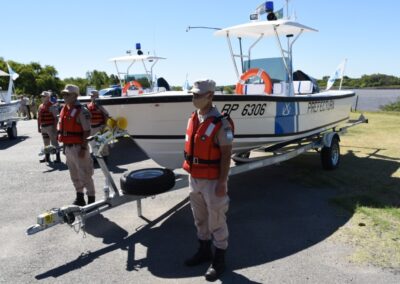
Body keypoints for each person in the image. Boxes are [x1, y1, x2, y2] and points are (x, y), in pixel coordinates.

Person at [183, 79, 234, 282]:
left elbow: (226, 154)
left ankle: (219, 259)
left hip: (213, 180)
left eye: (197, 95)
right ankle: (204, 250)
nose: (194, 98)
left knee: (217, 219)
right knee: (200, 218)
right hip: (194, 178)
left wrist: (223, 182)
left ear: (210, 96)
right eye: (193, 95)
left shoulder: (221, 123)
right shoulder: (194, 118)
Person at [58, 84, 95, 206]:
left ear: (75, 96)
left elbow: (87, 131)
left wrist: (83, 148)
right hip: (68, 147)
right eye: (63, 94)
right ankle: (80, 197)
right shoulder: (65, 109)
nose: (64, 96)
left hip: (79, 147)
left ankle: (91, 199)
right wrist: (64, 147)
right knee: (74, 174)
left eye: (67, 94)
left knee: (85, 174)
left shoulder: (81, 111)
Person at [37, 91, 61, 163]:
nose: (42, 97)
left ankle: (58, 158)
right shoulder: (40, 106)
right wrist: (38, 127)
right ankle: (47, 158)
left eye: (44, 96)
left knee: (54, 143)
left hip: (50, 126)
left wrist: (54, 128)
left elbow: (56, 118)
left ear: (48, 97)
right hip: (43, 127)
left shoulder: (52, 106)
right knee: (46, 143)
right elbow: (38, 118)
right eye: (41, 96)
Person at [87, 90, 109, 162]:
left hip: (100, 127)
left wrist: (105, 126)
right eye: (91, 96)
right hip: (92, 128)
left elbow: (106, 115)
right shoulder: (88, 105)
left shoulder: (100, 105)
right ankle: (97, 157)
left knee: (102, 142)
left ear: (97, 96)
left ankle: (105, 157)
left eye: (93, 96)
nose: (91, 97)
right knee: (93, 143)